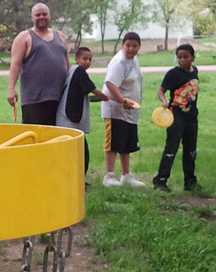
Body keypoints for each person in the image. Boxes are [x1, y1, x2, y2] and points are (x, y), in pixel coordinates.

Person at [7, 2, 69, 125]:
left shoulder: (60, 36)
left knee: (59, 138)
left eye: (44, 14)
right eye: (38, 15)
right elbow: (15, 64)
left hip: (60, 98)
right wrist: (11, 88)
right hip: (35, 100)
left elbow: (67, 64)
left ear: (50, 16)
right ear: (32, 18)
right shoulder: (24, 37)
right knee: (37, 139)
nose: (41, 17)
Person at [153, 44, 201, 193]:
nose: (182, 60)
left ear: (192, 57)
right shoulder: (173, 74)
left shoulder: (195, 71)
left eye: (185, 57)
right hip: (176, 117)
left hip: (191, 117)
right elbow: (161, 90)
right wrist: (163, 101)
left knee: (191, 150)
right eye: (179, 57)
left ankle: (190, 181)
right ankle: (160, 180)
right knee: (171, 148)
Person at [101, 32, 145, 187]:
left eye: (135, 46)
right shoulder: (119, 62)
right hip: (115, 109)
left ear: (139, 46)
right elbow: (110, 84)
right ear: (122, 45)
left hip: (130, 110)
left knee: (126, 143)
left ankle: (126, 175)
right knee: (114, 143)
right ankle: (109, 176)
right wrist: (123, 100)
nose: (131, 49)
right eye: (128, 45)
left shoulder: (134, 60)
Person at [56, 47, 109, 178]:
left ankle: (74, 177)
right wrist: (106, 96)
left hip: (64, 117)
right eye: (84, 59)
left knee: (75, 150)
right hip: (69, 119)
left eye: (90, 59)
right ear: (77, 59)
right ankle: (77, 179)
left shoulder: (72, 71)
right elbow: (92, 89)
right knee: (81, 152)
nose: (87, 62)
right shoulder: (79, 71)